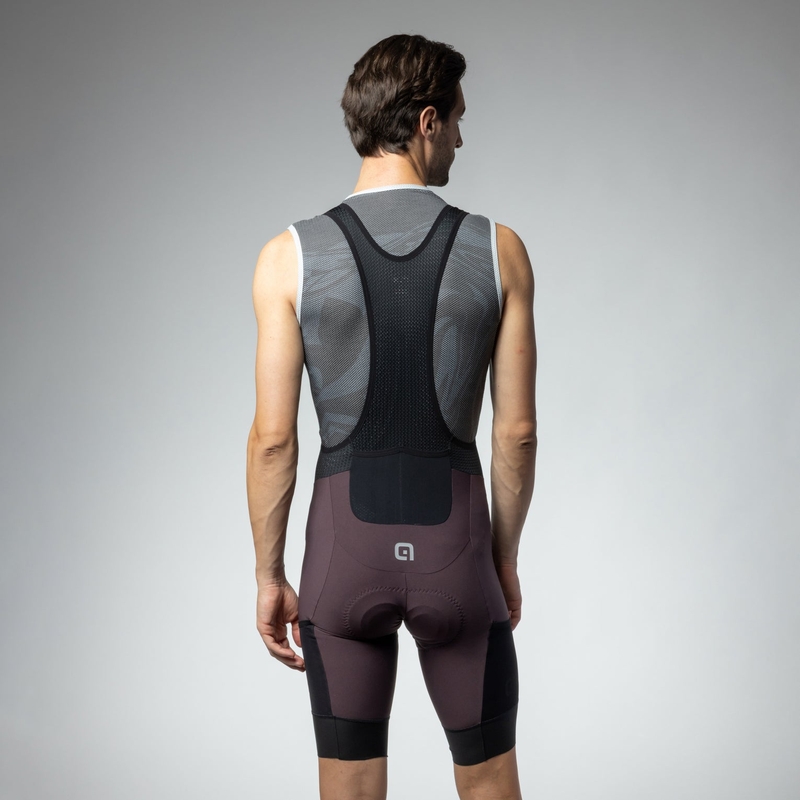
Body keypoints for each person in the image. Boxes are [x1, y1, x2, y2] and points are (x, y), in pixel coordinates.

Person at [246, 33, 537, 800]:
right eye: (459, 121)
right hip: (456, 549)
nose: (462, 141)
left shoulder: (288, 256)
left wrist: (270, 575)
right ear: (427, 122)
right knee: (490, 783)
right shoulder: (498, 250)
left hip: (341, 556)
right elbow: (516, 433)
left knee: (349, 789)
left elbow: (274, 441)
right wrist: (501, 560)